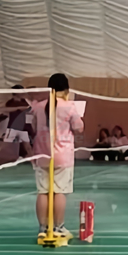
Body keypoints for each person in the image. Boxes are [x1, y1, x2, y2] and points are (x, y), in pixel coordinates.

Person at [30, 73, 84, 239]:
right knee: (60, 192)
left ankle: (42, 228)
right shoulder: (69, 107)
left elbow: (33, 126)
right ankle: (58, 228)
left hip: (41, 155)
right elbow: (79, 128)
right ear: (66, 88)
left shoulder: (38, 107)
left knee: (43, 192)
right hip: (62, 156)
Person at [0, 85, 34, 168]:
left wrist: (27, 103)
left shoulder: (25, 101)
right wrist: (18, 108)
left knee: (28, 148)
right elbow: (5, 110)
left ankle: (35, 165)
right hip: (12, 128)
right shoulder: (10, 102)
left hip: (23, 128)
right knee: (3, 147)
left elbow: (31, 108)